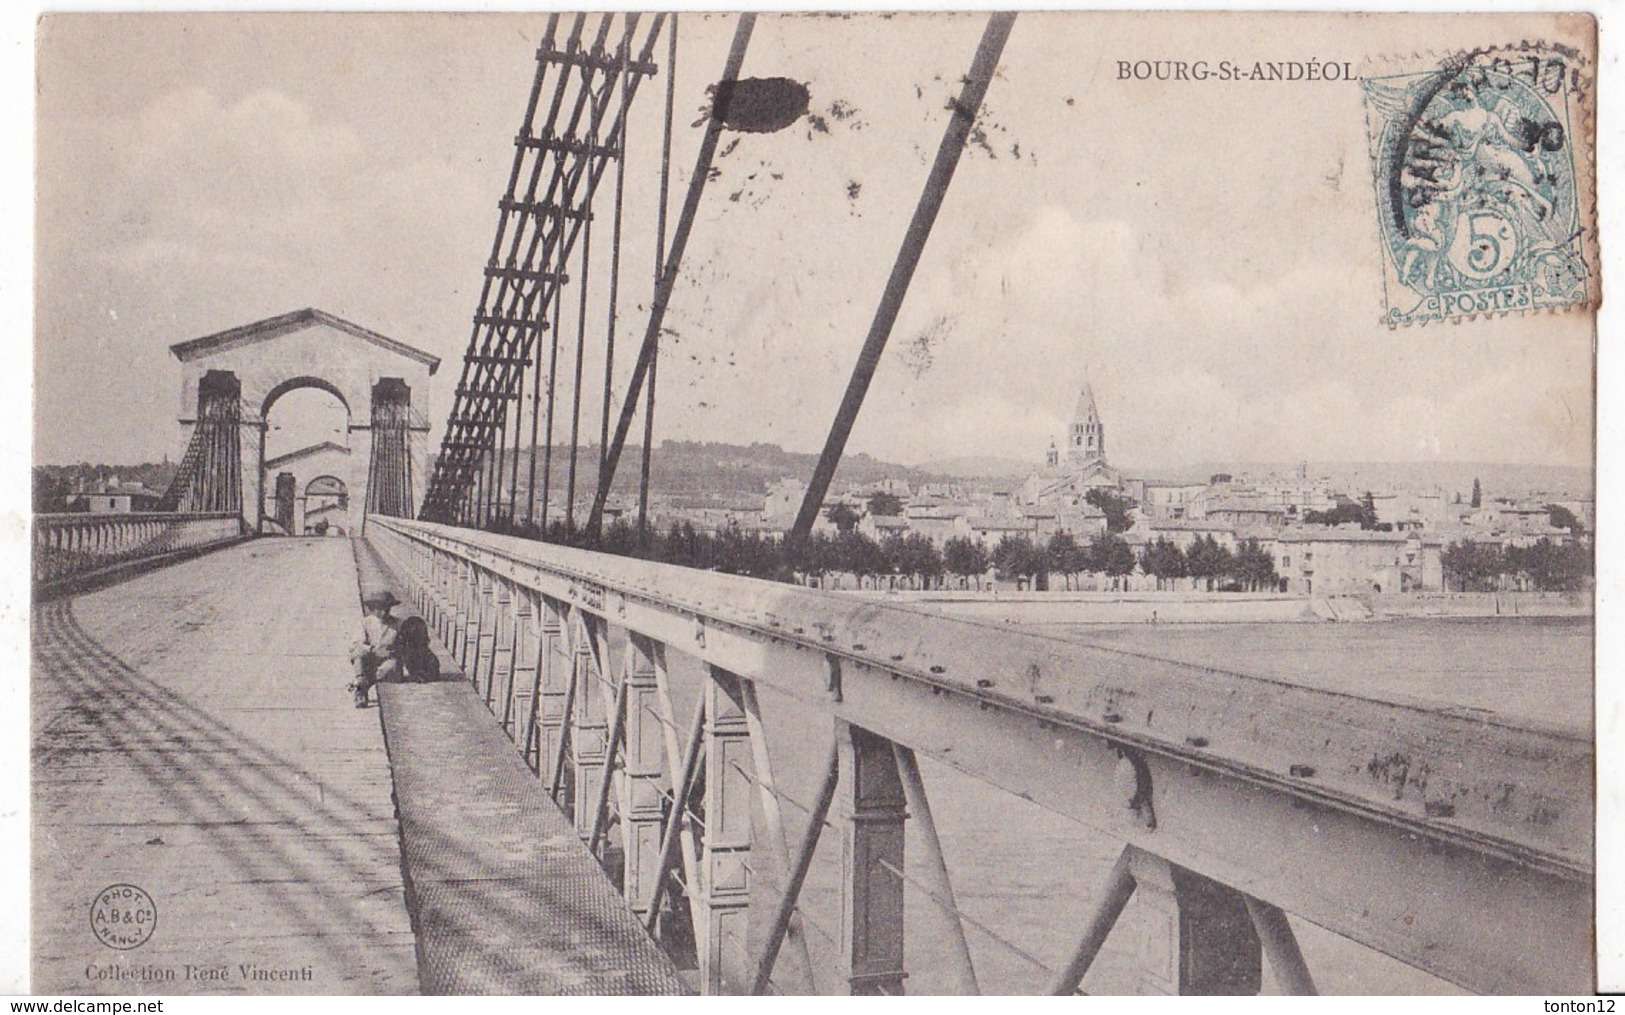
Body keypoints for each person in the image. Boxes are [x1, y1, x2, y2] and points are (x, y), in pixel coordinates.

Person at [349, 590, 402, 708]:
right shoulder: (365, 622)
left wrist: (391, 652)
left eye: (386, 609)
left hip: (386, 659)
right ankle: (360, 682)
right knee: (358, 653)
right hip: (369, 657)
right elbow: (357, 643)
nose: (383, 612)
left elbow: (403, 645)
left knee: (392, 666)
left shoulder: (397, 624)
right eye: (379, 609)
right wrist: (373, 650)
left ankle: (361, 686)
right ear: (373, 609)